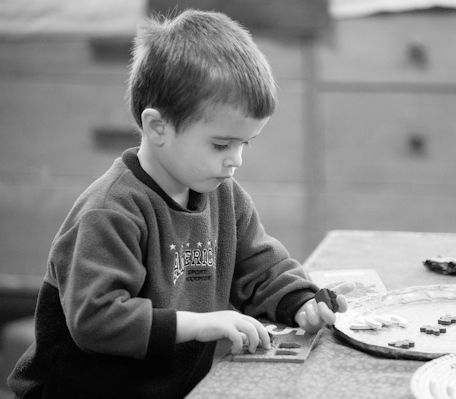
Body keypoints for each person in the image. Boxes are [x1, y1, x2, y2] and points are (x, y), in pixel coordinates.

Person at [8, 10, 350, 399]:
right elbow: (97, 320)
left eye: (245, 143)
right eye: (221, 144)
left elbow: (262, 270)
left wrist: (300, 303)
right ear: (158, 127)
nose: (236, 160)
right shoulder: (110, 211)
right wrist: (199, 324)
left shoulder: (224, 194)